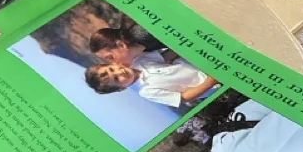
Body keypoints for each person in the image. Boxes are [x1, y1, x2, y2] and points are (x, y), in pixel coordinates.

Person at [84, 57, 218, 107]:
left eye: (112, 69)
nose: (119, 72)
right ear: (122, 89)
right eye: (116, 79)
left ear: (113, 63)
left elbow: (168, 55)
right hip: (210, 81)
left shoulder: (139, 61)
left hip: (202, 60)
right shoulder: (146, 91)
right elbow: (183, 97)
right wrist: (210, 81)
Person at [89, 26, 177, 68]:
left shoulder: (143, 33)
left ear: (121, 45)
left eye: (110, 57)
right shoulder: (144, 47)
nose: (114, 63)